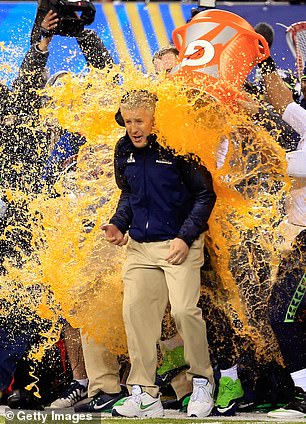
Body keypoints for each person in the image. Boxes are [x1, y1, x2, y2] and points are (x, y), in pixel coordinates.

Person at [102, 89, 216, 418]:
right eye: (128, 121)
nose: (133, 128)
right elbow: (129, 194)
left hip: (180, 244)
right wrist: (118, 224)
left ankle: (202, 382)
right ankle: (144, 393)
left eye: (140, 121)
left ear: (154, 119)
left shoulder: (178, 145)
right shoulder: (123, 148)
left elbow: (205, 196)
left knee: (183, 312)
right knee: (135, 312)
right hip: (140, 247)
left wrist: (185, 237)